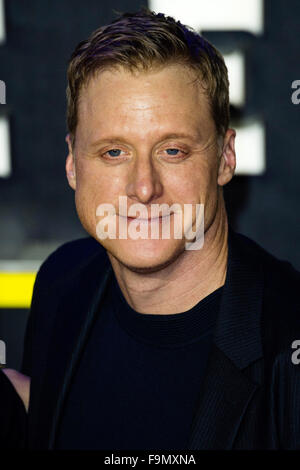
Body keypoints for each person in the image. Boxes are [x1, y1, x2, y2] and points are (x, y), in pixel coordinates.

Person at [21, 9, 300, 450]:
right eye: (114, 152)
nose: (144, 187)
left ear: (226, 157)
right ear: (73, 161)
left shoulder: (289, 340)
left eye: (173, 150)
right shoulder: (61, 283)